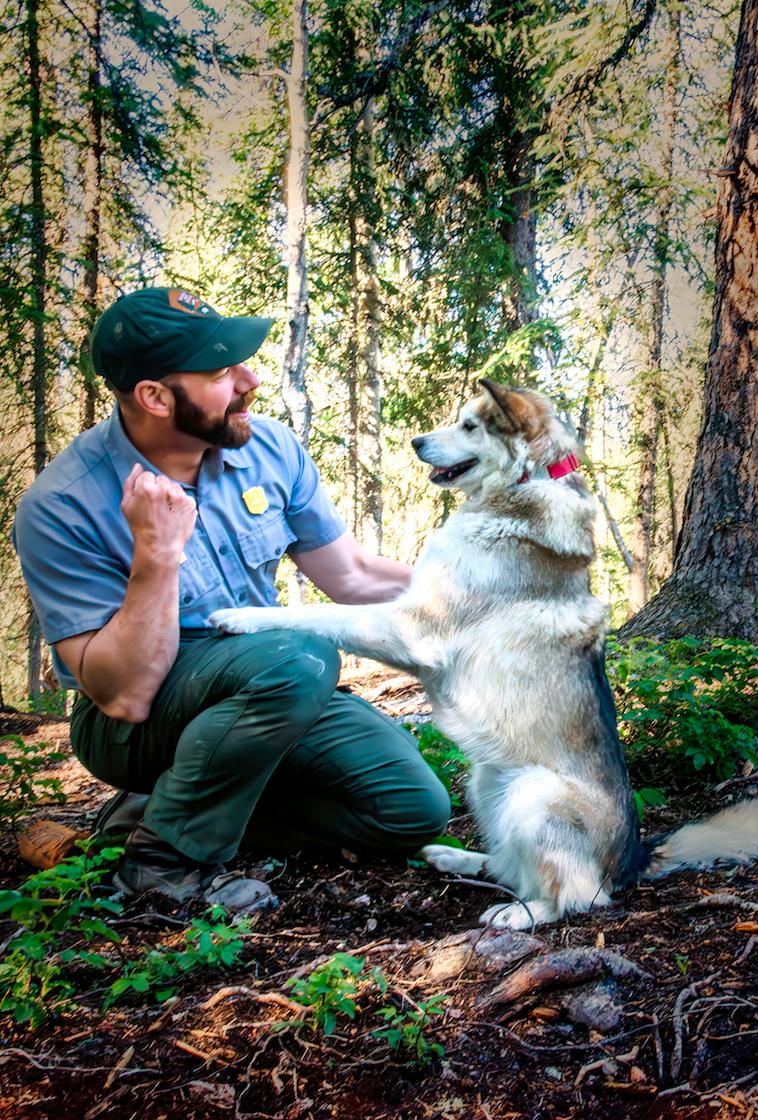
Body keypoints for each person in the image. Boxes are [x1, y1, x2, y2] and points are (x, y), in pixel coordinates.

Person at [13, 287, 450, 911]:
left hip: (265, 683)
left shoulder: (269, 449)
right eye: (221, 372)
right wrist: (157, 557)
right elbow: (123, 695)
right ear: (155, 397)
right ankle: (163, 862)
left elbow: (351, 575)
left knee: (412, 811)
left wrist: (484, 597)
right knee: (301, 659)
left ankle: (169, 807)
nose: (250, 381)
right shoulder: (61, 505)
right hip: (136, 720)